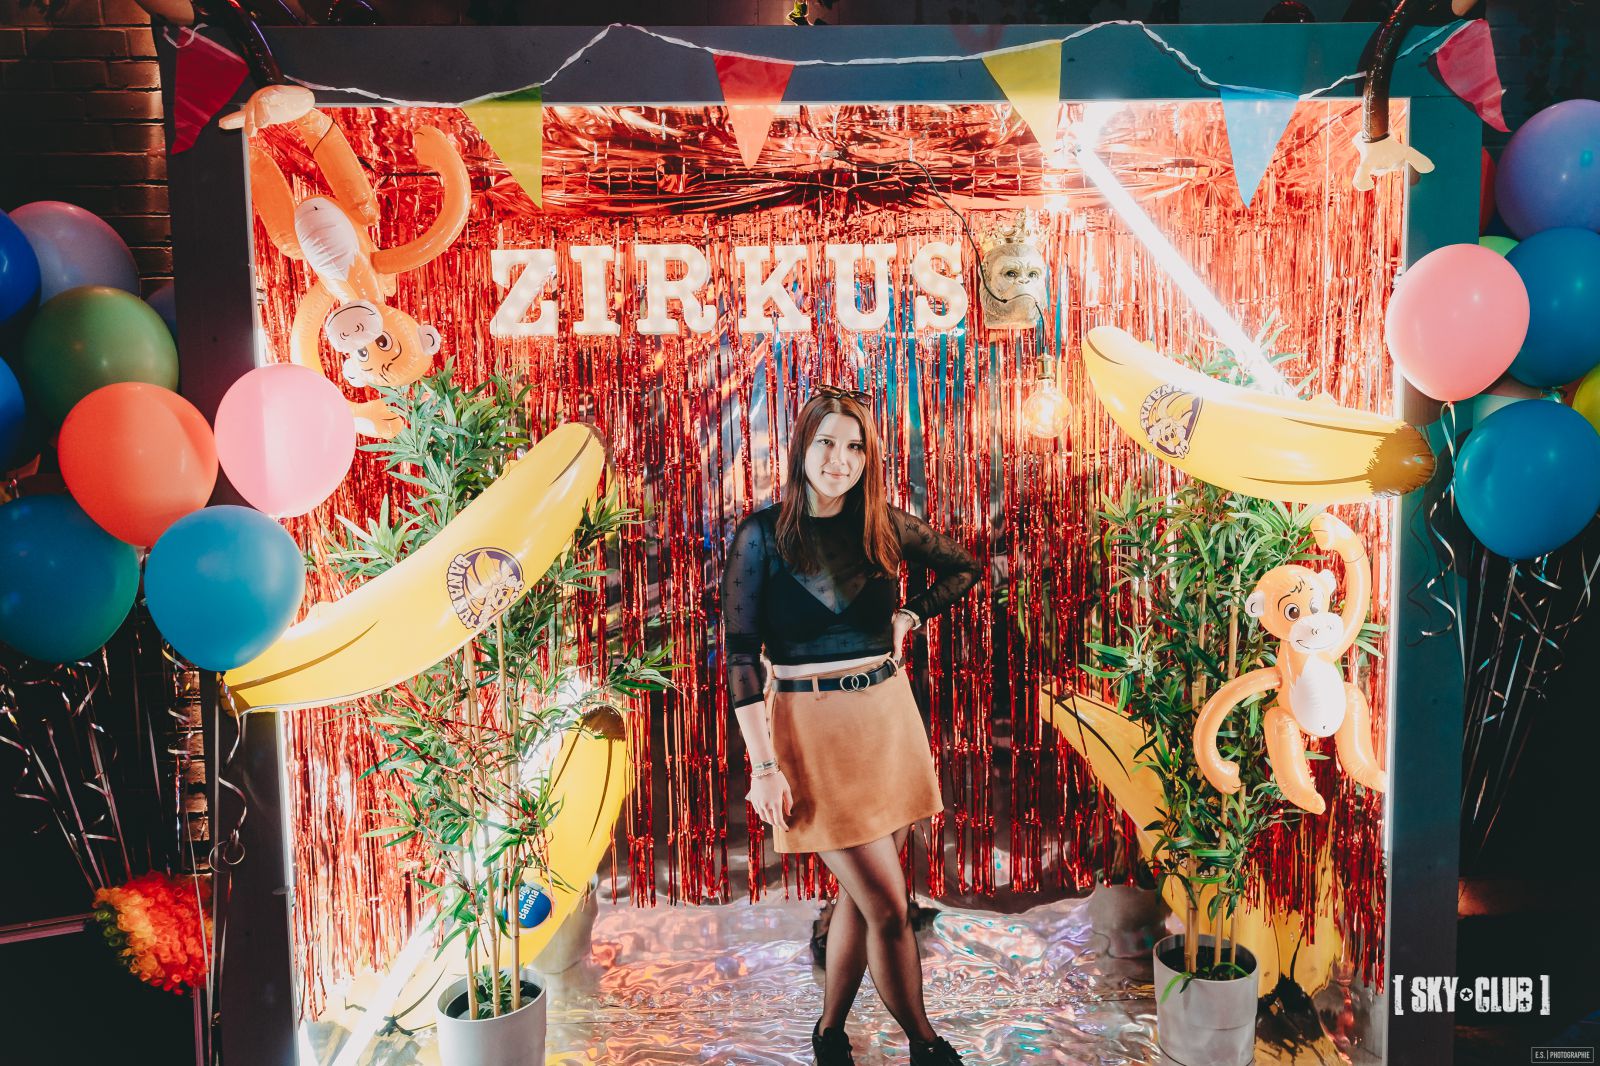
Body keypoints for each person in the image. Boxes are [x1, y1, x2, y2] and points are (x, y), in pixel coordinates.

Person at [720, 384, 982, 1066]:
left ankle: (830, 1032)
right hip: (810, 734)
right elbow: (741, 656)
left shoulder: (882, 526)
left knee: (861, 898)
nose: (840, 460)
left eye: (855, 447)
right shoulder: (760, 537)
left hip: (886, 720)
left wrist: (911, 614)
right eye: (827, 443)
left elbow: (964, 568)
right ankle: (928, 1046)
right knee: (889, 908)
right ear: (801, 447)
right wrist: (764, 767)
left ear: (869, 457)